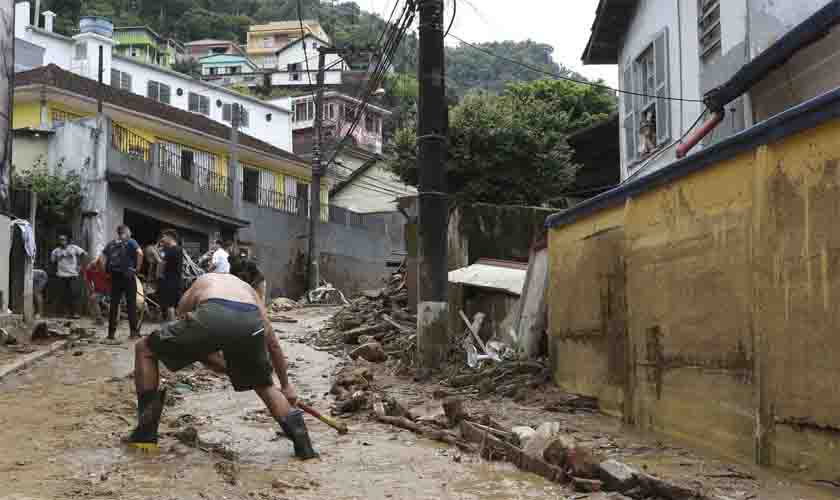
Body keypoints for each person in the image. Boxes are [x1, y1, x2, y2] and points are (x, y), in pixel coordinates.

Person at [127, 273, 317, 460]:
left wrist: (217, 363)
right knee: (263, 385)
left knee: (144, 349)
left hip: (212, 312)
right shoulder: (248, 292)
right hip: (251, 321)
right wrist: (286, 386)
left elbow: (190, 340)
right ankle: (304, 447)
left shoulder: (201, 282)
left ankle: (145, 436)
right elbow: (273, 344)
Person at [102, 225, 143, 340]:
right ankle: (133, 333)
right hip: (128, 276)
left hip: (114, 277)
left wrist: (106, 273)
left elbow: (102, 259)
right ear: (126, 231)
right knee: (131, 304)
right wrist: (137, 269)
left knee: (114, 305)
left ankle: (111, 334)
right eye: (129, 231)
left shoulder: (111, 244)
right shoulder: (131, 241)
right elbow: (140, 253)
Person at [50, 235, 87, 318]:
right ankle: (66, 313)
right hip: (61, 275)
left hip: (73, 274)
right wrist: (59, 260)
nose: (62, 241)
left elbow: (84, 254)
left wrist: (80, 266)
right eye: (60, 240)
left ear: (67, 240)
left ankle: (76, 313)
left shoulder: (74, 248)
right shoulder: (56, 251)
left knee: (74, 294)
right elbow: (52, 261)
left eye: (63, 240)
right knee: (64, 295)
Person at [158, 229, 183, 321]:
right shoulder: (178, 249)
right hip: (176, 281)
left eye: (164, 237)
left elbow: (162, 264)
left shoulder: (171, 250)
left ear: (170, 237)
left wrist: (159, 275)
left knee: (170, 306)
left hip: (170, 282)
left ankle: (171, 326)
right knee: (173, 305)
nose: (163, 239)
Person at [85, 257, 111, 325]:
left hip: (110, 290)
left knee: (112, 303)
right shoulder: (89, 269)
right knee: (92, 299)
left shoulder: (107, 268)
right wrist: (91, 290)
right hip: (98, 290)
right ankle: (98, 319)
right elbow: (87, 280)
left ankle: (114, 320)